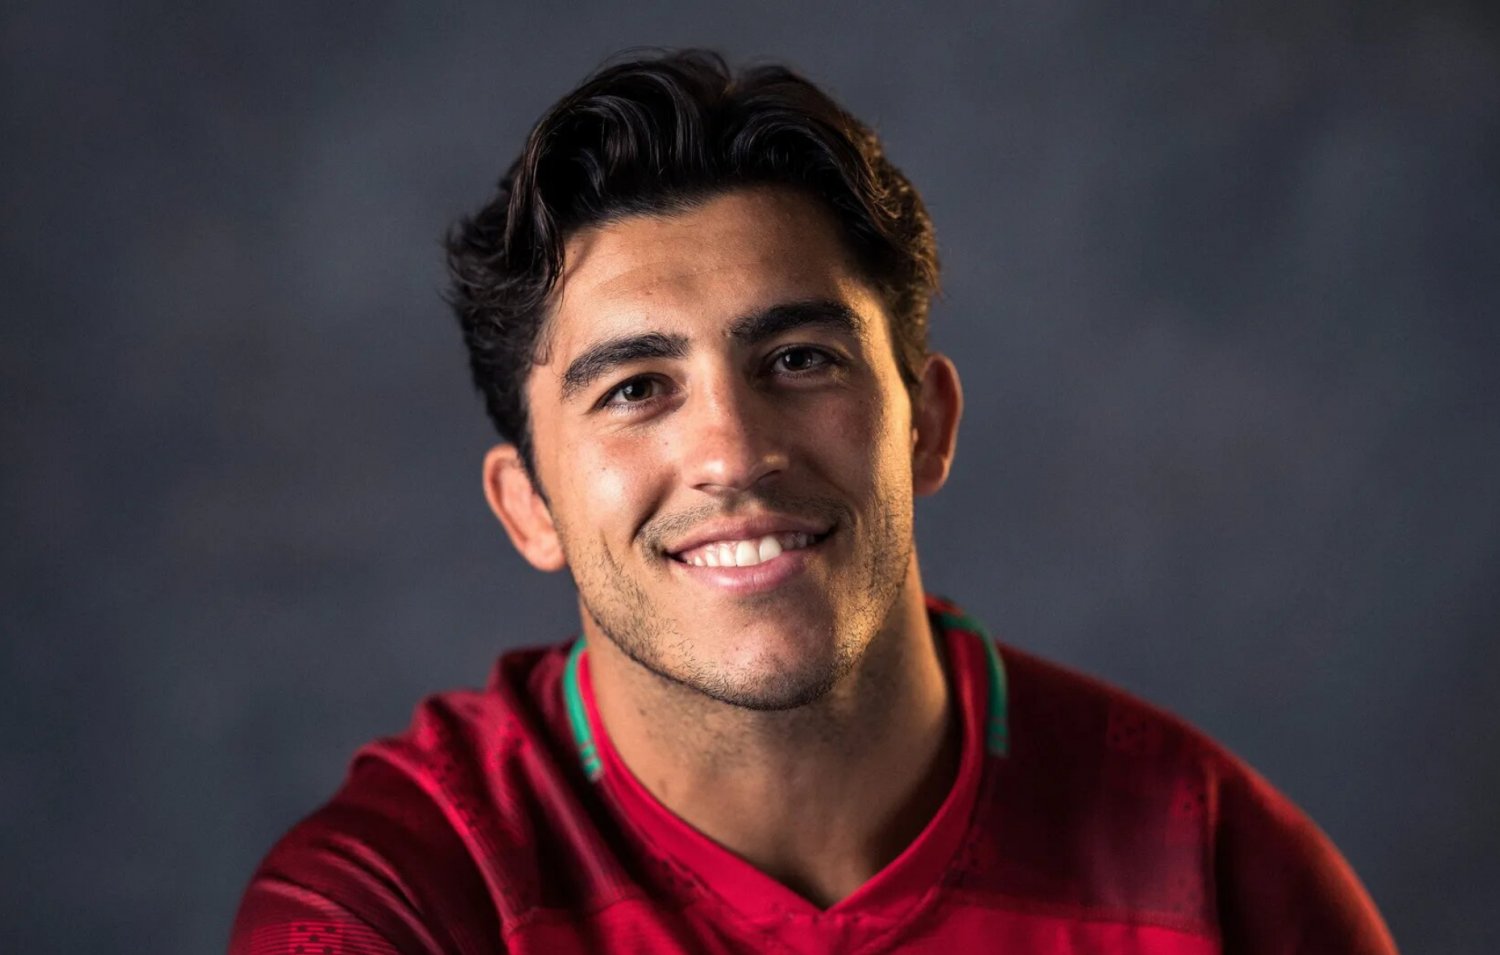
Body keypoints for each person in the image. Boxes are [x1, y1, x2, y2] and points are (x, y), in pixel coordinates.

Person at [229, 50, 1397, 954]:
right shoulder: (394, 907)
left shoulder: (1219, 877)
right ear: (528, 505)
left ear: (926, 422)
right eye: (636, 389)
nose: (733, 453)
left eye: (798, 360)